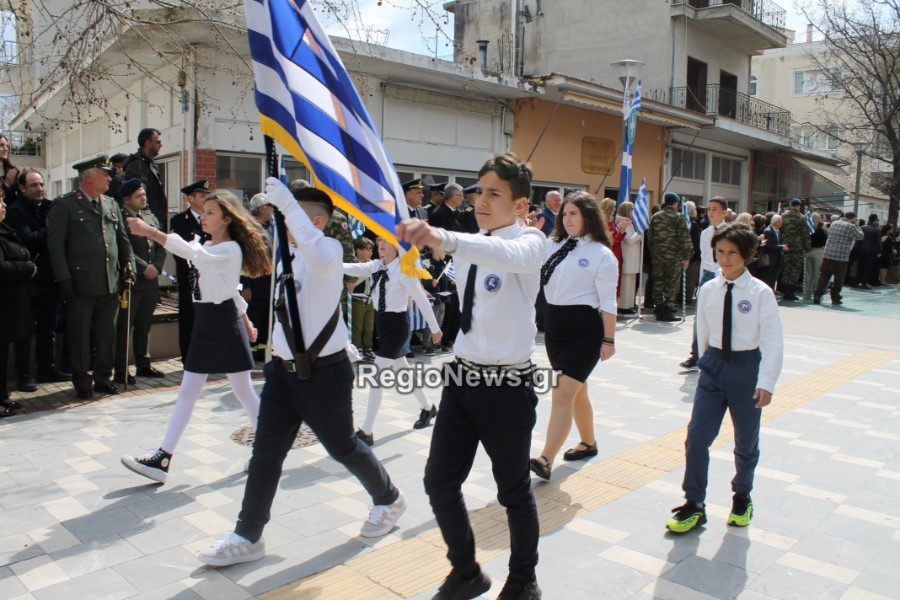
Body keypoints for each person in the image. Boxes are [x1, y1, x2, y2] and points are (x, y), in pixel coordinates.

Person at [197, 180, 407, 567]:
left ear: (316, 221)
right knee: (265, 454)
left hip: (324, 374)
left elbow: (319, 252)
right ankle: (248, 534)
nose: (283, 222)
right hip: (282, 374)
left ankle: (388, 498)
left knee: (343, 447)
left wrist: (288, 206)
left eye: (289, 215)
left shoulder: (327, 250)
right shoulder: (288, 255)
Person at [397, 152, 544, 600]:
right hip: (461, 380)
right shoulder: (472, 241)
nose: (481, 201)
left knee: (513, 491)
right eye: (479, 192)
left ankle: (523, 580)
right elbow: (471, 253)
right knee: (439, 482)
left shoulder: (530, 242)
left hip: (507, 386)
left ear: (520, 204)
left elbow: (503, 253)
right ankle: (466, 572)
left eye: (494, 194)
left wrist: (445, 237)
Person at [120, 190, 270, 483]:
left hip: (222, 322)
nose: (203, 216)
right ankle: (163, 458)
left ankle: (268, 449)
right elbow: (229, 287)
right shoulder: (210, 244)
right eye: (204, 211)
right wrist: (247, 319)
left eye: (211, 212)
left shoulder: (228, 249)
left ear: (227, 219)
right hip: (208, 322)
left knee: (242, 390)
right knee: (191, 393)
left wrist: (150, 231)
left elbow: (195, 256)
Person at [665, 223, 783, 534]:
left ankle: (742, 496)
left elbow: (773, 340)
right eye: (720, 252)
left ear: (747, 255)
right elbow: (702, 331)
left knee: (746, 441)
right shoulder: (708, 289)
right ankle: (694, 503)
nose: (725, 259)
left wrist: (766, 382)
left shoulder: (760, 293)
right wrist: (706, 364)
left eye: (732, 253)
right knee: (696, 438)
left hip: (746, 369)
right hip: (714, 367)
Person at [529, 191, 617, 481]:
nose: (567, 219)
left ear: (588, 216)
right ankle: (589, 442)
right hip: (554, 328)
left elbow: (608, 302)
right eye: (564, 214)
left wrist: (609, 340)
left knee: (562, 392)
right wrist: (524, 230)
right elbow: (525, 257)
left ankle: (545, 458)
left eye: (573, 214)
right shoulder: (552, 244)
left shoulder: (601, 254)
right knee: (578, 391)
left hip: (585, 331)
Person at [47, 156, 136, 400]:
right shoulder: (65, 205)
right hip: (80, 283)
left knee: (107, 334)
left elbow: (123, 240)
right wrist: (63, 278)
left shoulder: (111, 203)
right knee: (80, 336)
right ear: (88, 176)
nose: (109, 178)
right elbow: (55, 245)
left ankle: (103, 378)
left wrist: (129, 266)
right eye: (104, 174)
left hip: (110, 281)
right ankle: (81, 380)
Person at [343, 237, 442, 445]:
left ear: (397, 247)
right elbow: (353, 267)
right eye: (380, 240)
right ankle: (428, 407)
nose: (381, 244)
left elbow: (421, 299)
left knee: (376, 375)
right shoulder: (376, 266)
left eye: (387, 241)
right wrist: (326, 262)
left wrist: (435, 328)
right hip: (382, 324)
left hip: (397, 326)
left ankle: (367, 431)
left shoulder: (404, 270)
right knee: (403, 369)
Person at [5, 168, 69, 386]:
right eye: (34, 185)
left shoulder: (50, 207)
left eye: (41, 184)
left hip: (51, 278)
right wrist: (53, 228)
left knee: (48, 326)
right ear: (22, 188)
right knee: (24, 330)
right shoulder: (16, 211)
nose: (40, 189)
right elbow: (28, 240)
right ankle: (24, 374)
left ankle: (47, 368)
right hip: (29, 281)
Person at [114, 179, 167, 385]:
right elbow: (122, 247)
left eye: (144, 194)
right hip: (132, 281)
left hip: (151, 282)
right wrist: (145, 267)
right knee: (125, 328)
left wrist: (157, 267)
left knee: (144, 325)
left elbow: (160, 244)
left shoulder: (149, 217)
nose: (144, 198)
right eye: (139, 196)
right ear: (127, 199)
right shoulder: (120, 217)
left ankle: (143, 364)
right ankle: (121, 370)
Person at [0, 187, 36, 416]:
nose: (4, 204)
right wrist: (26, 268)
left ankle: (2, 397)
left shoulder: (3, 228)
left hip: (9, 304)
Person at [680, 197, 728, 369]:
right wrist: (700, 283)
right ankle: (696, 354)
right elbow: (704, 258)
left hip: (723, 276)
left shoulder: (730, 232)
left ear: (724, 212)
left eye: (715, 209)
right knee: (700, 315)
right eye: (709, 209)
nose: (710, 212)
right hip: (707, 276)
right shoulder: (705, 233)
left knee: (721, 316)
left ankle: (719, 354)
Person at [169, 179, 211, 361]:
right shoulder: (179, 220)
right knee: (189, 317)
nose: (206, 199)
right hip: (189, 277)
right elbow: (178, 251)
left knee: (208, 317)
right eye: (202, 196)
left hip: (209, 277)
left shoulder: (212, 218)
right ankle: (188, 357)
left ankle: (207, 354)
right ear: (191, 198)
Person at [649, 193, 693, 322]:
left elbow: (650, 238)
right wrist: (688, 257)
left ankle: (659, 309)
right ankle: (667, 311)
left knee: (658, 282)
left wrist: (654, 253)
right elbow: (684, 238)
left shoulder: (656, 217)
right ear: (675, 203)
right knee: (671, 284)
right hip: (673, 257)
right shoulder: (678, 217)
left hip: (658, 256)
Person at [242, 193, 275, 360]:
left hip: (268, 280)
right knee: (254, 316)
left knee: (266, 318)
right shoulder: (249, 229)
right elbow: (244, 259)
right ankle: (250, 352)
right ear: (262, 209)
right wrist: (246, 285)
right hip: (254, 281)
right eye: (270, 206)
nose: (272, 210)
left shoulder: (271, 227)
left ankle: (263, 351)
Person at [813, 212, 864, 305]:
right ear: (853, 219)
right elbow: (860, 236)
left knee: (824, 275)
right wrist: (857, 225)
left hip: (828, 254)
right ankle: (835, 297)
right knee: (839, 278)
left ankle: (817, 295)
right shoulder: (850, 226)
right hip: (841, 256)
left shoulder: (834, 223)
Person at [123, 128, 168, 228]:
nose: (161, 145)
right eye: (158, 142)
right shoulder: (137, 165)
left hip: (154, 222)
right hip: (146, 224)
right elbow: (139, 197)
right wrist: (150, 221)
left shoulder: (149, 164)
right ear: (148, 143)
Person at [350, 237, 376, 361]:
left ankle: (368, 348)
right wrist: (367, 270)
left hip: (370, 300)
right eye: (367, 250)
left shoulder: (372, 264)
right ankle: (358, 348)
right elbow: (353, 282)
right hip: (357, 299)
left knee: (369, 327)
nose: (370, 253)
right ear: (359, 251)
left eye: (371, 250)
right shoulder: (354, 264)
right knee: (357, 327)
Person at [779, 200, 811, 301]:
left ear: (790, 205)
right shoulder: (801, 217)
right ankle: (790, 291)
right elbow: (805, 233)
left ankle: (783, 290)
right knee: (795, 270)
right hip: (797, 248)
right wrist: (807, 247)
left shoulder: (783, 216)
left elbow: (780, 230)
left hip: (784, 246)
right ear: (799, 206)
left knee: (785, 268)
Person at [616, 201, 641, 314]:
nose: (633, 212)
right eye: (632, 209)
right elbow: (629, 240)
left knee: (631, 284)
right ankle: (623, 306)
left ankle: (629, 305)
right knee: (626, 285)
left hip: (632, 258)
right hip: (627, 257)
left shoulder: (629, 223)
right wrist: (639, 233)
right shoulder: (623, 223)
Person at [757, 214, 784, 291]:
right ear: (775, 222)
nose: (781, 223)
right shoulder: (768, 231)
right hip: (769, 259)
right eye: (780, 221)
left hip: (777, 259)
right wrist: (781, 247)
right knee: (768, 278)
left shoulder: (778, 231)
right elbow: (768, 245)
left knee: (773, 279)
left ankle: (772, 292)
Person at [804, 212, 826, 300]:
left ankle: (807, 294)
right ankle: (816, 293)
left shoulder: (807, 230)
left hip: (808, 251)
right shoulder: (821, 230)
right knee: (817, 274)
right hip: (818, 251)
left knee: (808, 274)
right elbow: (824, 242)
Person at [858, 214, 881, 288]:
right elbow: (878, 242)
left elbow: (858, 240)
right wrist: (879, 251)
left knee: (860, 266)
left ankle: (858, 281)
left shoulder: (862, 227)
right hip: (871, 251)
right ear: (875, 220)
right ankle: (864, 282)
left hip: (861, 249)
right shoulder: (876, 230)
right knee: (868, 267)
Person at [0, 134, 19, 205]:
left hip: (11, 210)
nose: (6, 149)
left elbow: (19, 197)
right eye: (1, 145)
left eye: (7, 146)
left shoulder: (13, 171)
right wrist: (7, 185)